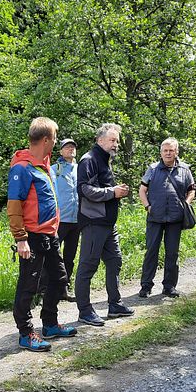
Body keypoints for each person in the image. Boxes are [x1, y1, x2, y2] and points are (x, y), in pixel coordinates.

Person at [7, 117, 77, 352]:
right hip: (31, 237)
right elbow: (14, 205)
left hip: (50, 234)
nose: (56, 142)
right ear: (46, 139)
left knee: (59, 279)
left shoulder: (45, 164)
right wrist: (20, 239)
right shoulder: (22, 167)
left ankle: (49, 323)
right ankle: (26, 333)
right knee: (29, 285)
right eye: (55, 138)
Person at [75, 123, 135, 326]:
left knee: (115, 261)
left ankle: (115, 305)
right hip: (93, 223)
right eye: (112, 140)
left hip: (108, 225)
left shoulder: (104, 160)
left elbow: (100, 187)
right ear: (100, 140)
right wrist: (112, 192)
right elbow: (85, 190)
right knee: (87, 267)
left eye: (117, 141)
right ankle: (84, 311)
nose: (116, 144)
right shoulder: (89, 160)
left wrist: (117, 191)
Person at [138, 137, 196, 298]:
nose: (168, 153)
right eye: (165, 150)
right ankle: (146, 286)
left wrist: (186, 203)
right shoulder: (152, 168)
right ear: (161, 152)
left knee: (172, 253)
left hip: (175, 217)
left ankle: (169, 286)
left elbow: (192, 190)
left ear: (177, 152)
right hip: (155, 217)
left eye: (171, 150)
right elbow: (142, 190)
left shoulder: (185, 169)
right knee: (151, 252)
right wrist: (147, 207)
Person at [53, 138, 80, 301]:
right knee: (53, 255)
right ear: (61, 151)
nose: (70, 149)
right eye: (67, 147)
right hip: (59, 219)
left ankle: (65, 289)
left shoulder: (80, 168)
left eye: (72, 147)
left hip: (76, 219)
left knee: (70, 256)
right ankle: (45, 288)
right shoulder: (54, 169)